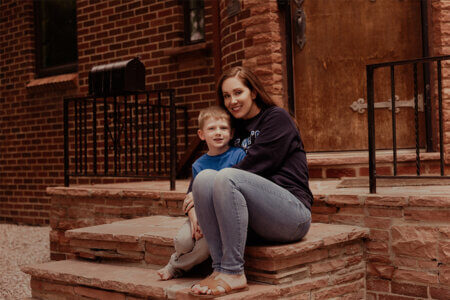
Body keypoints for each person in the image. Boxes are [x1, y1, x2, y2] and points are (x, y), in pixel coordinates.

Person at [190, 66, 313, 297]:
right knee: (204, 178)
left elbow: (257, 165)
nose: (232, 101)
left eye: (238, 93)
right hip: (253, 217)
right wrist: (193, 198)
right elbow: (210, 165)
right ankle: (220, 269)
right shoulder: (234, 129)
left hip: (292, 213)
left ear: (253, 92)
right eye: (226, 96)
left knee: (226, 176)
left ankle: (234, 272)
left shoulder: (276, 118)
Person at [157, 106, 246, 280]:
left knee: (205, 248)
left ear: (232, 132)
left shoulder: (238, 155)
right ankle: (180, 257)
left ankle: (175, 266)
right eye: (212, 128)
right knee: (182, 242)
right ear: (201, 134)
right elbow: (191, 197)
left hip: (224, 217)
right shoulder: (199, 164)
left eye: (223, 128)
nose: (218, 133)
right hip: (201, 213)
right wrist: (194, 218)